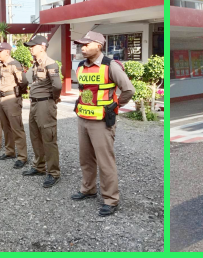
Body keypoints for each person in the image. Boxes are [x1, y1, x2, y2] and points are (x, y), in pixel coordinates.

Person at [71, 31, 134, 217]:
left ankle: (111, 199)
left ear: (99, 45)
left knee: (105, 161)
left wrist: (114, 107)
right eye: (81, 45)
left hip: (101, 121)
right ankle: (88, 189)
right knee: (85, 158)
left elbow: (129, 90)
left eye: (86, 44)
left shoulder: (110, 65)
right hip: (83, 118)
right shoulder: (81, 66)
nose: (82, 48)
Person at [21, 35, 62, 187]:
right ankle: (39, 166)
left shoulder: (50, 63)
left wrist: (54, 99)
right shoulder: (35, 63)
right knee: (35, 136)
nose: (30, 48)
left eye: (33, 46)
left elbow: (57, 86)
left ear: (42, 47)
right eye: (30, 46)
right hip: (35, 103)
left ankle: (53, 172)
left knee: (48, 139)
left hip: (45, 103)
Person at [0, 41, 27, 168]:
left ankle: (22, 156)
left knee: (17, 128)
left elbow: (23, 81)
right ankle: (10, 151)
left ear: (7, 52)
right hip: (1, 99)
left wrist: (18, 94)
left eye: (0, 51)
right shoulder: (0, 65)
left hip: (12, 98)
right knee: (6, 127)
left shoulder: (14, 64)